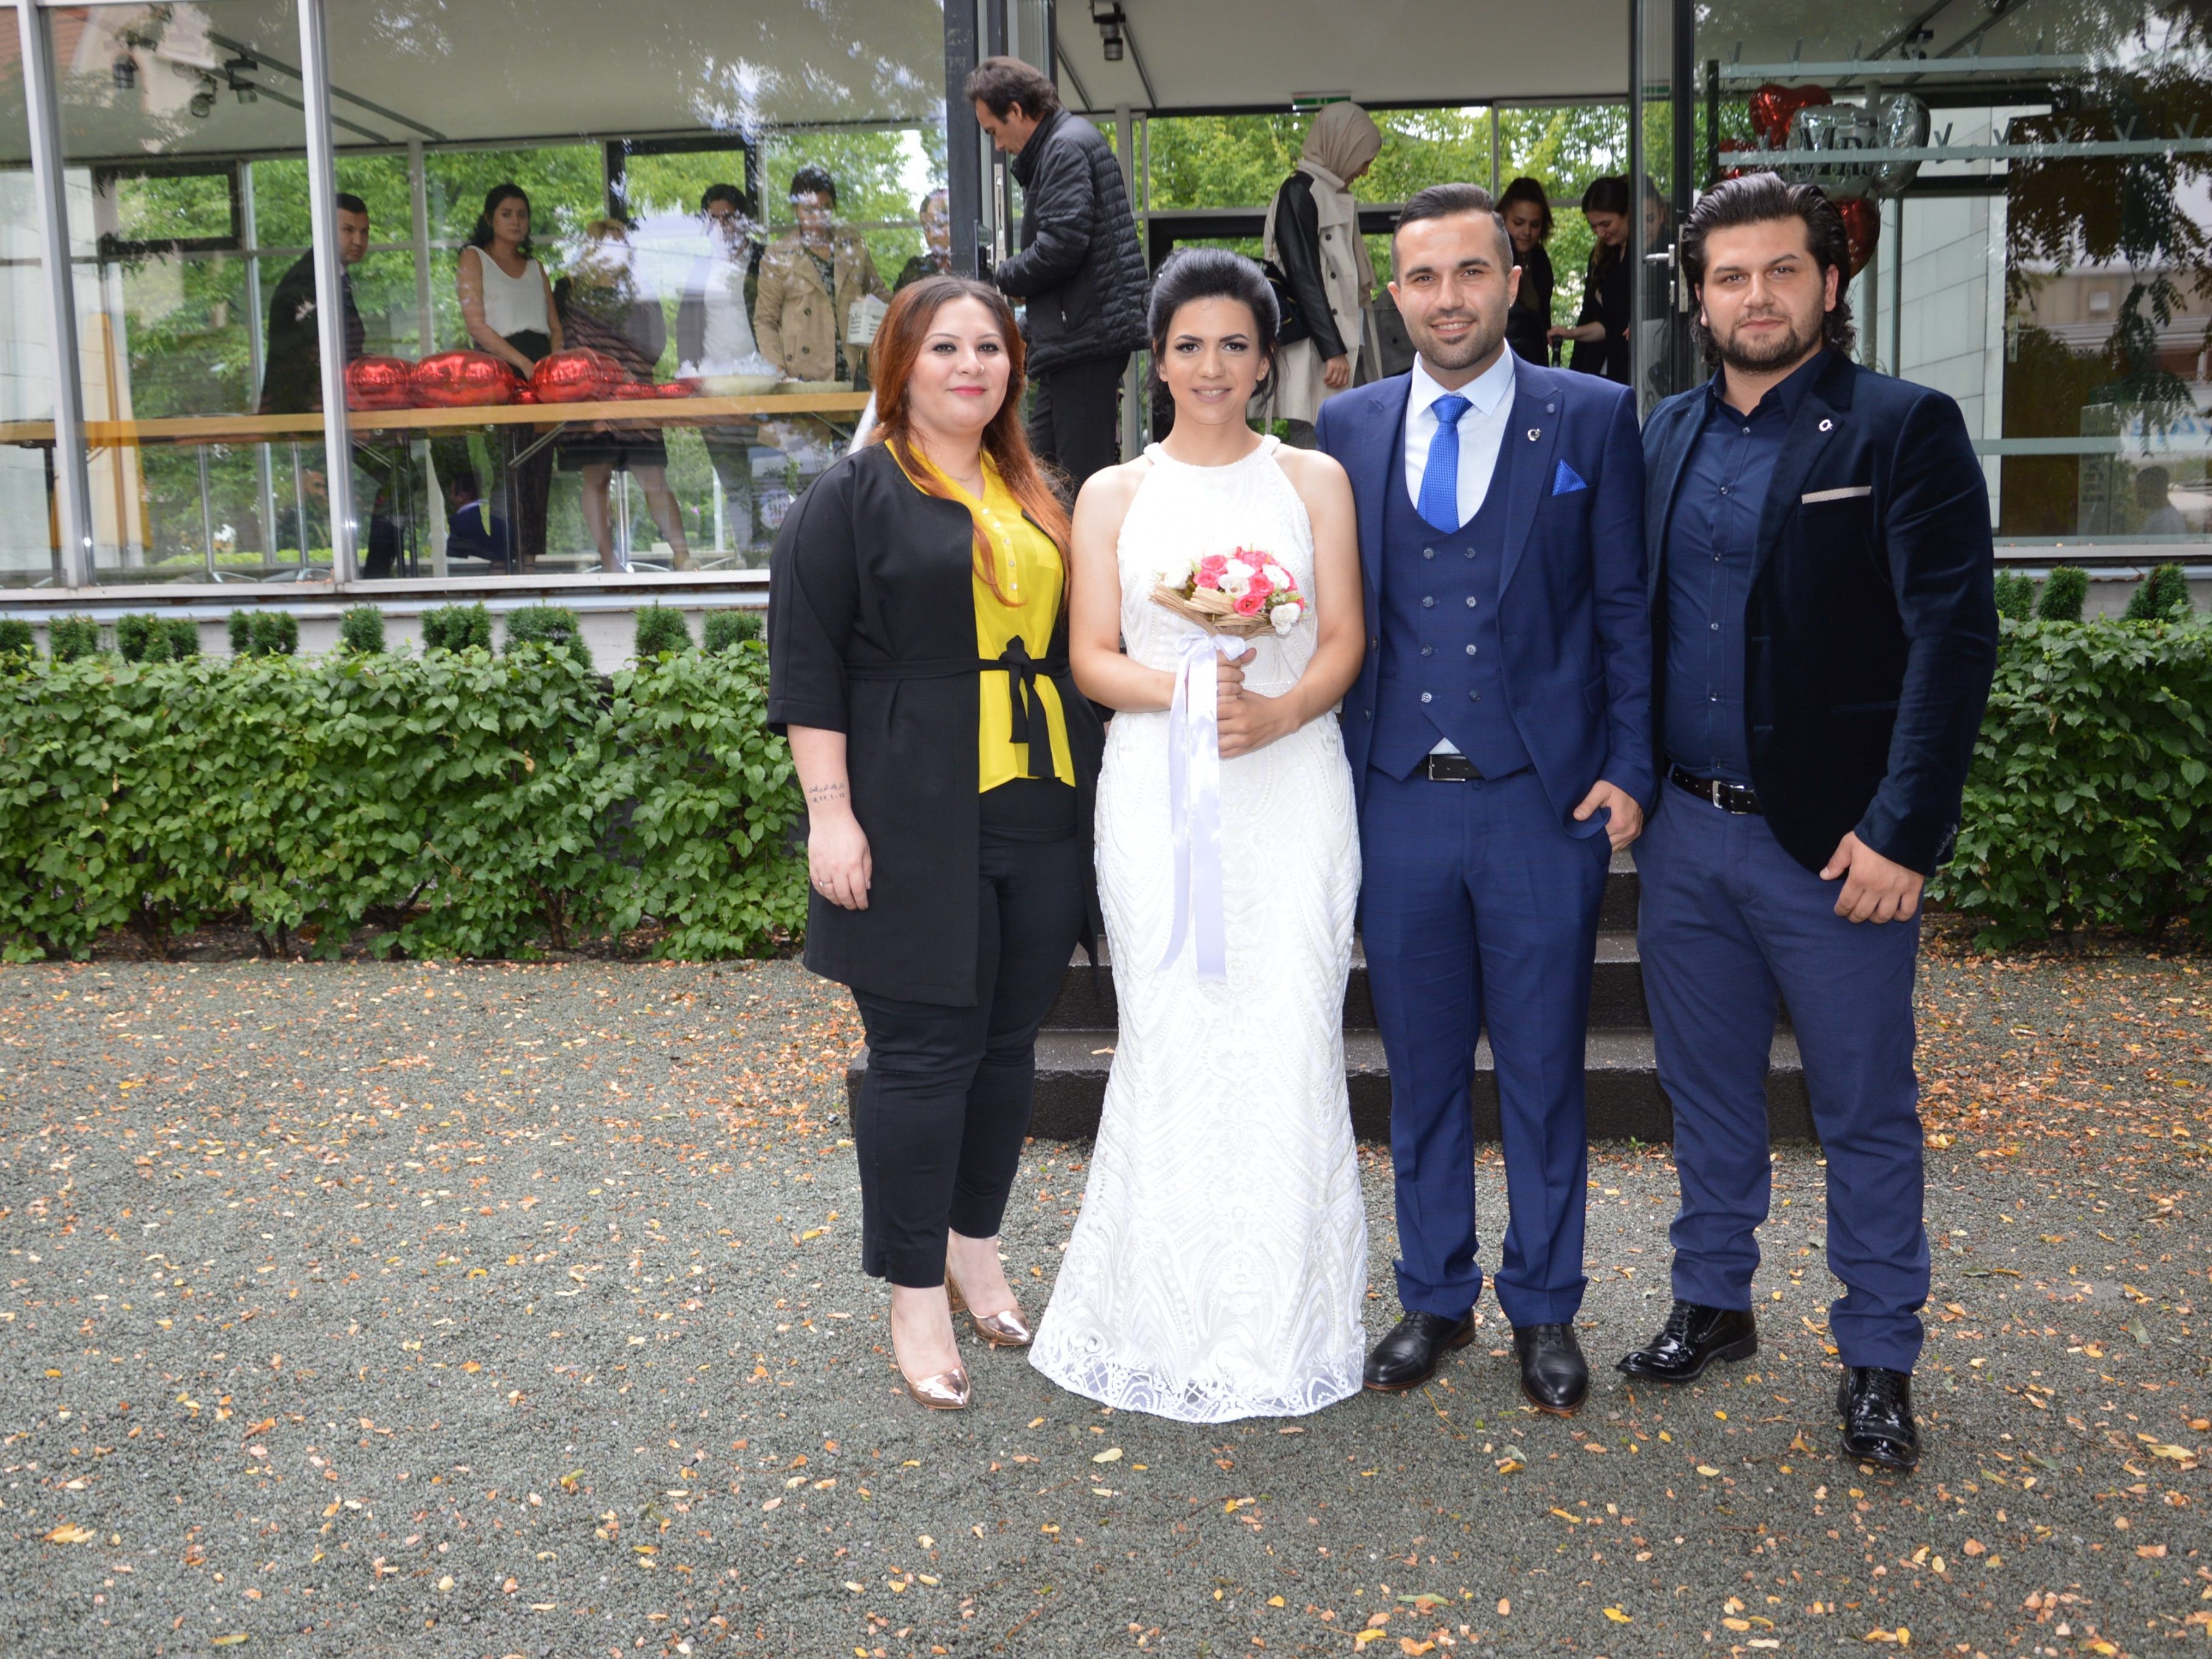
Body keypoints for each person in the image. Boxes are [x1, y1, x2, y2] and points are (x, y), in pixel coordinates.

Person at [1618, 174, 1998, 1473]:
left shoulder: (1904, 427)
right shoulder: (1661, 433)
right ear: (1700, 293)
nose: (1757, 297)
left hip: (1840, 849)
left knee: (1864, 1110)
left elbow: (1954, 643)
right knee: (1707, 1091)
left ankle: (1879, 1353)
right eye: (1731, 276)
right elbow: (1637, 625)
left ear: (1829, 285)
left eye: (1783, 271)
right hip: (1685, 835)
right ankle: (1715, 1297)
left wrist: (1905, 828)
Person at [1316, 183, 1652, 1417]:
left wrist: (1630, 763)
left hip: (1538, 802)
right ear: (1395, 291)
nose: (1447, 297)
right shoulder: (1343, 424)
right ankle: (1432, 1290)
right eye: (1423, 277)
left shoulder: (1593, 415)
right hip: (1394, 797)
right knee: (1418, 1066)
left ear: (1513, 281)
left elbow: (1624, 604)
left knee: (1546, 1065)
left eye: (1472, 271)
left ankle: (1547, 1303)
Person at [1029, 250, 1369, 1421]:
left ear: (1265, 355)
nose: (1213, 366)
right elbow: (1089, 658)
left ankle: (1289, 1321)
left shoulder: (1314, 477)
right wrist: (1187, 693)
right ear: (1157, 358)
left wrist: (1275, 708)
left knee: (1285, 1030)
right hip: (1159, 788)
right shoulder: (1113, 494)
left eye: (1236, 344)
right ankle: (1157, 1313)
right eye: (1190, 345)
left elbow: (1341, 640)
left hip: (1290, 781)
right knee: (1173, 1031)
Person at [767, 275, 1107, 1412]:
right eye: (947, 346)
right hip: (912, 812)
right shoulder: (849, 496)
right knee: (921, 1058)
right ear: (902, 365)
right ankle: (913, 1290)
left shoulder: (1037, 490)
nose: (974, 365)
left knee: (1010, 1050)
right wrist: (831, 811)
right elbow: (808, 665)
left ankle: (976, 1247)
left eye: (993, 347)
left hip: (1042, 801)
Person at [967, 55, 1149, 493]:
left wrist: (1001, 279)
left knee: (1082, 486)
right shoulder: (1068, 142)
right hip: (1076, 342)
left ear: (1016, 110)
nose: (997, 145)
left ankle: (1087, 564)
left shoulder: (1063, 148)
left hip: (1084, 344)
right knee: (1041, 478)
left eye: (994, 130)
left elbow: (1062, 245)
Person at [260, 191, 403, 577]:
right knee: (400, 474)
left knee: (400, 473)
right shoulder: (307, 282)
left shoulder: (330, 276)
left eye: (364, 231)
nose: (358, 240)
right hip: (311, 412)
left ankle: (374, 573)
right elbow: (315, 356)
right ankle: (372, 575)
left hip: (336, 406)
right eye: (347, 230)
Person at [555, 218, 692, 573]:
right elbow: (561, 343)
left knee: (654, 480)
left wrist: (627, 373)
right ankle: (608, 562)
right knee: (596, 477)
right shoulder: (568, 289)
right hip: (588, 399)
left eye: (621, 243)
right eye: (607, 243)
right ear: (591, 248)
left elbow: (657, 344)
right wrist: (593, 377)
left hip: (635, 396)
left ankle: (683, 556)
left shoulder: (641, 290)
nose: (615, 250)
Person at [1263, 101, 1384, 439]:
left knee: (1342, 435)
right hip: (1320, 349)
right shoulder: (1300, 192)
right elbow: (1304, 276)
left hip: (1340, 346)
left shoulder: (1325, 194)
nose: (1364, 171)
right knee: (1316, 437)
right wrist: (1333, 350)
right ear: (1343, 146)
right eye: (1364, 159)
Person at [458, 183, 561, 570]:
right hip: (498, 366)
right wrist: (522, 364)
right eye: (507, 214)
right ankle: (502, 557)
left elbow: (555, 326)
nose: (516, 221)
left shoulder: (537, 267)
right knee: (508, 463)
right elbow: (477, 326)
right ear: (489, 219)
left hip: (539, 366)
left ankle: (530, 558)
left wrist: (551, 368)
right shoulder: (474, 258)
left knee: (538, 465)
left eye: (522, 214)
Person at [677, 183, 772, 559]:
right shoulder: (699, 268)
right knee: (735, 483)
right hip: (715, 392)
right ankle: (751, 559)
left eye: (728, 216)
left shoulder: (767, 260)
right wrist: (691, 382)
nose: (721, 225)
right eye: (712, 218)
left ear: (743, 220)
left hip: (764, 389)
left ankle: (776, 562)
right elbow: (686, 328)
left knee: (770, 479)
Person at [752, 165, 892, 387]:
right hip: (800, 375)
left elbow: (880, 294)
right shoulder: (778, 255)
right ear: (795, 209)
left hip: (852, 366)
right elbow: (765, 321)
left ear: (833, 207)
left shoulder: (853, 246)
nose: (817, 217)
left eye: (825, 208)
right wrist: (777, 372)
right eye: (809, 210)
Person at [1553, 175, 1631, 384]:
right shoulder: (1602, 257)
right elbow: (1606, 324)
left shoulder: (1644, 256)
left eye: (1606, 224)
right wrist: (1570, 334)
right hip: (1604, 365)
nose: (1600, 233)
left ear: (1628, 213)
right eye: (1593, 226)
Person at [1498, 176, 1557, 366]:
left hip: (1535, 356)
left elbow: (1543, 313)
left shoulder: (1540, 257)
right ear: (1503, 218)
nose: (1527, 232)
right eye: (1518, 222)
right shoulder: (1494, 257)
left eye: (1535, 225)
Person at [441, 469, 510, 569]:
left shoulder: (460, 522)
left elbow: (456, 561)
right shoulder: (501, 517)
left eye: (452, 493)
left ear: (462, 496)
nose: (451, 498)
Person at [895, 189, 955, 290]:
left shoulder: (977, 263)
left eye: (939, 225)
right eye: (926, 228)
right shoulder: (915, 270)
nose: (932, 235)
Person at [2138, 465, 2188, 536]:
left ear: (2152, 490)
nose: (2138, 496)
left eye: (2141, 491)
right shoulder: (2172, 515)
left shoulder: (2162, 521)